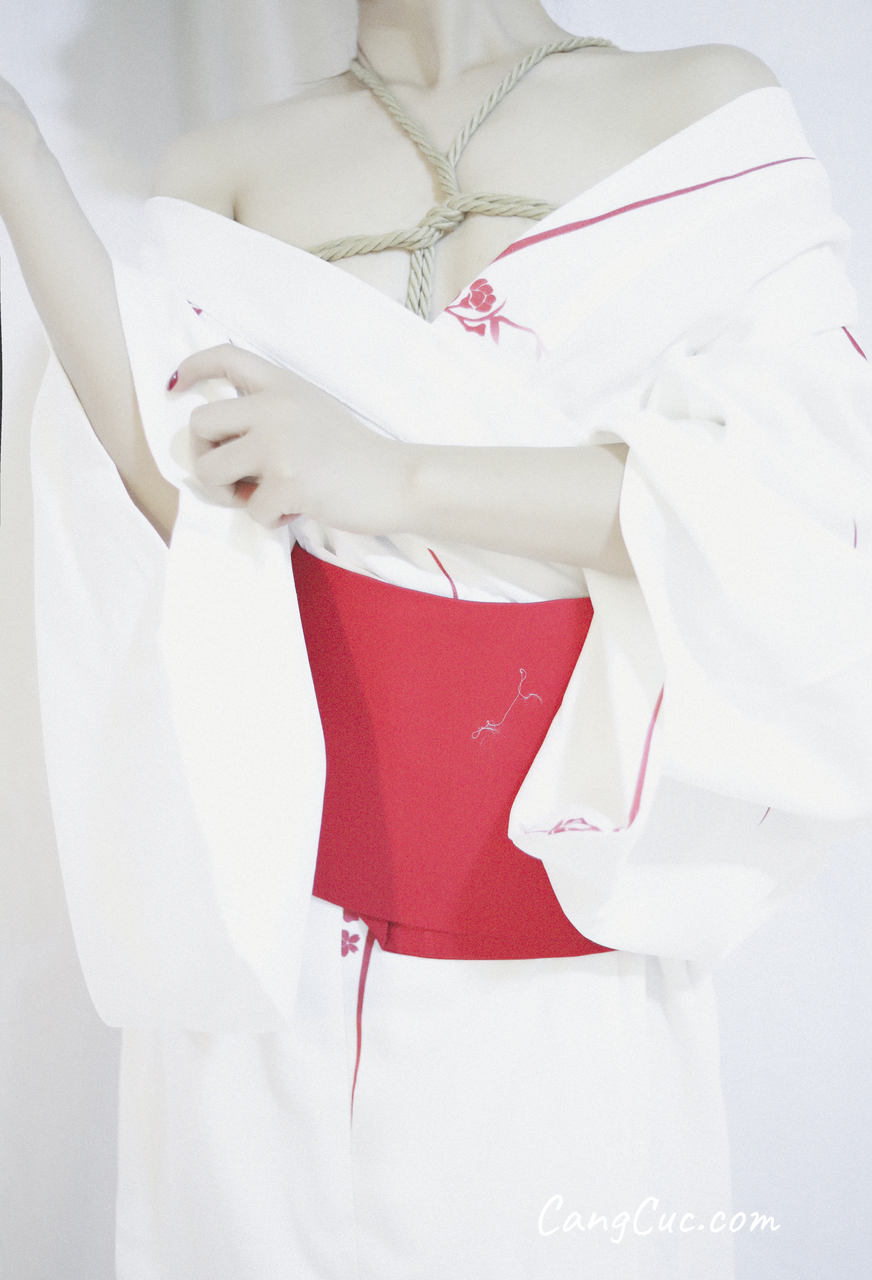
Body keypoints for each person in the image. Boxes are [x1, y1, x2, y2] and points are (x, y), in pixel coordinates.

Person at [3, 2, 872, 1277]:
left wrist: (390, 475)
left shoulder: (700, 111)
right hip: (274, 963)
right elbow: (176, 506)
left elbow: (794, 511)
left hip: (559, 955)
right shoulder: (224, 169)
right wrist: (17, 155)